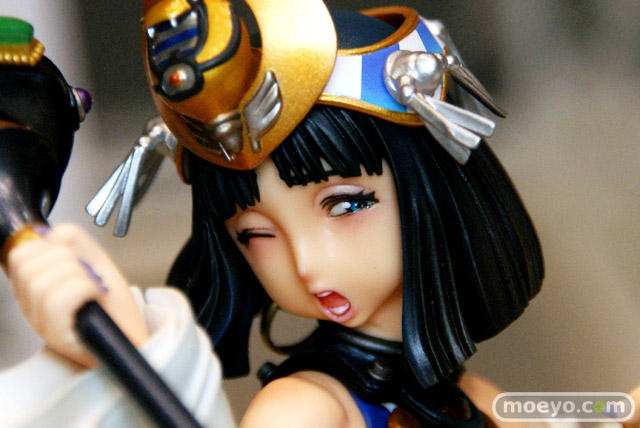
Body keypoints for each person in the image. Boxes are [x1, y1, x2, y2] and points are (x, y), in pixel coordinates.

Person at [2, 1, 549, 427]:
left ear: (424, 188)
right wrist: (139, 357)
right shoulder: (303, 409)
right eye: (255, 234)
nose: (306, 263)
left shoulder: (462, 394)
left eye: (346, 204)